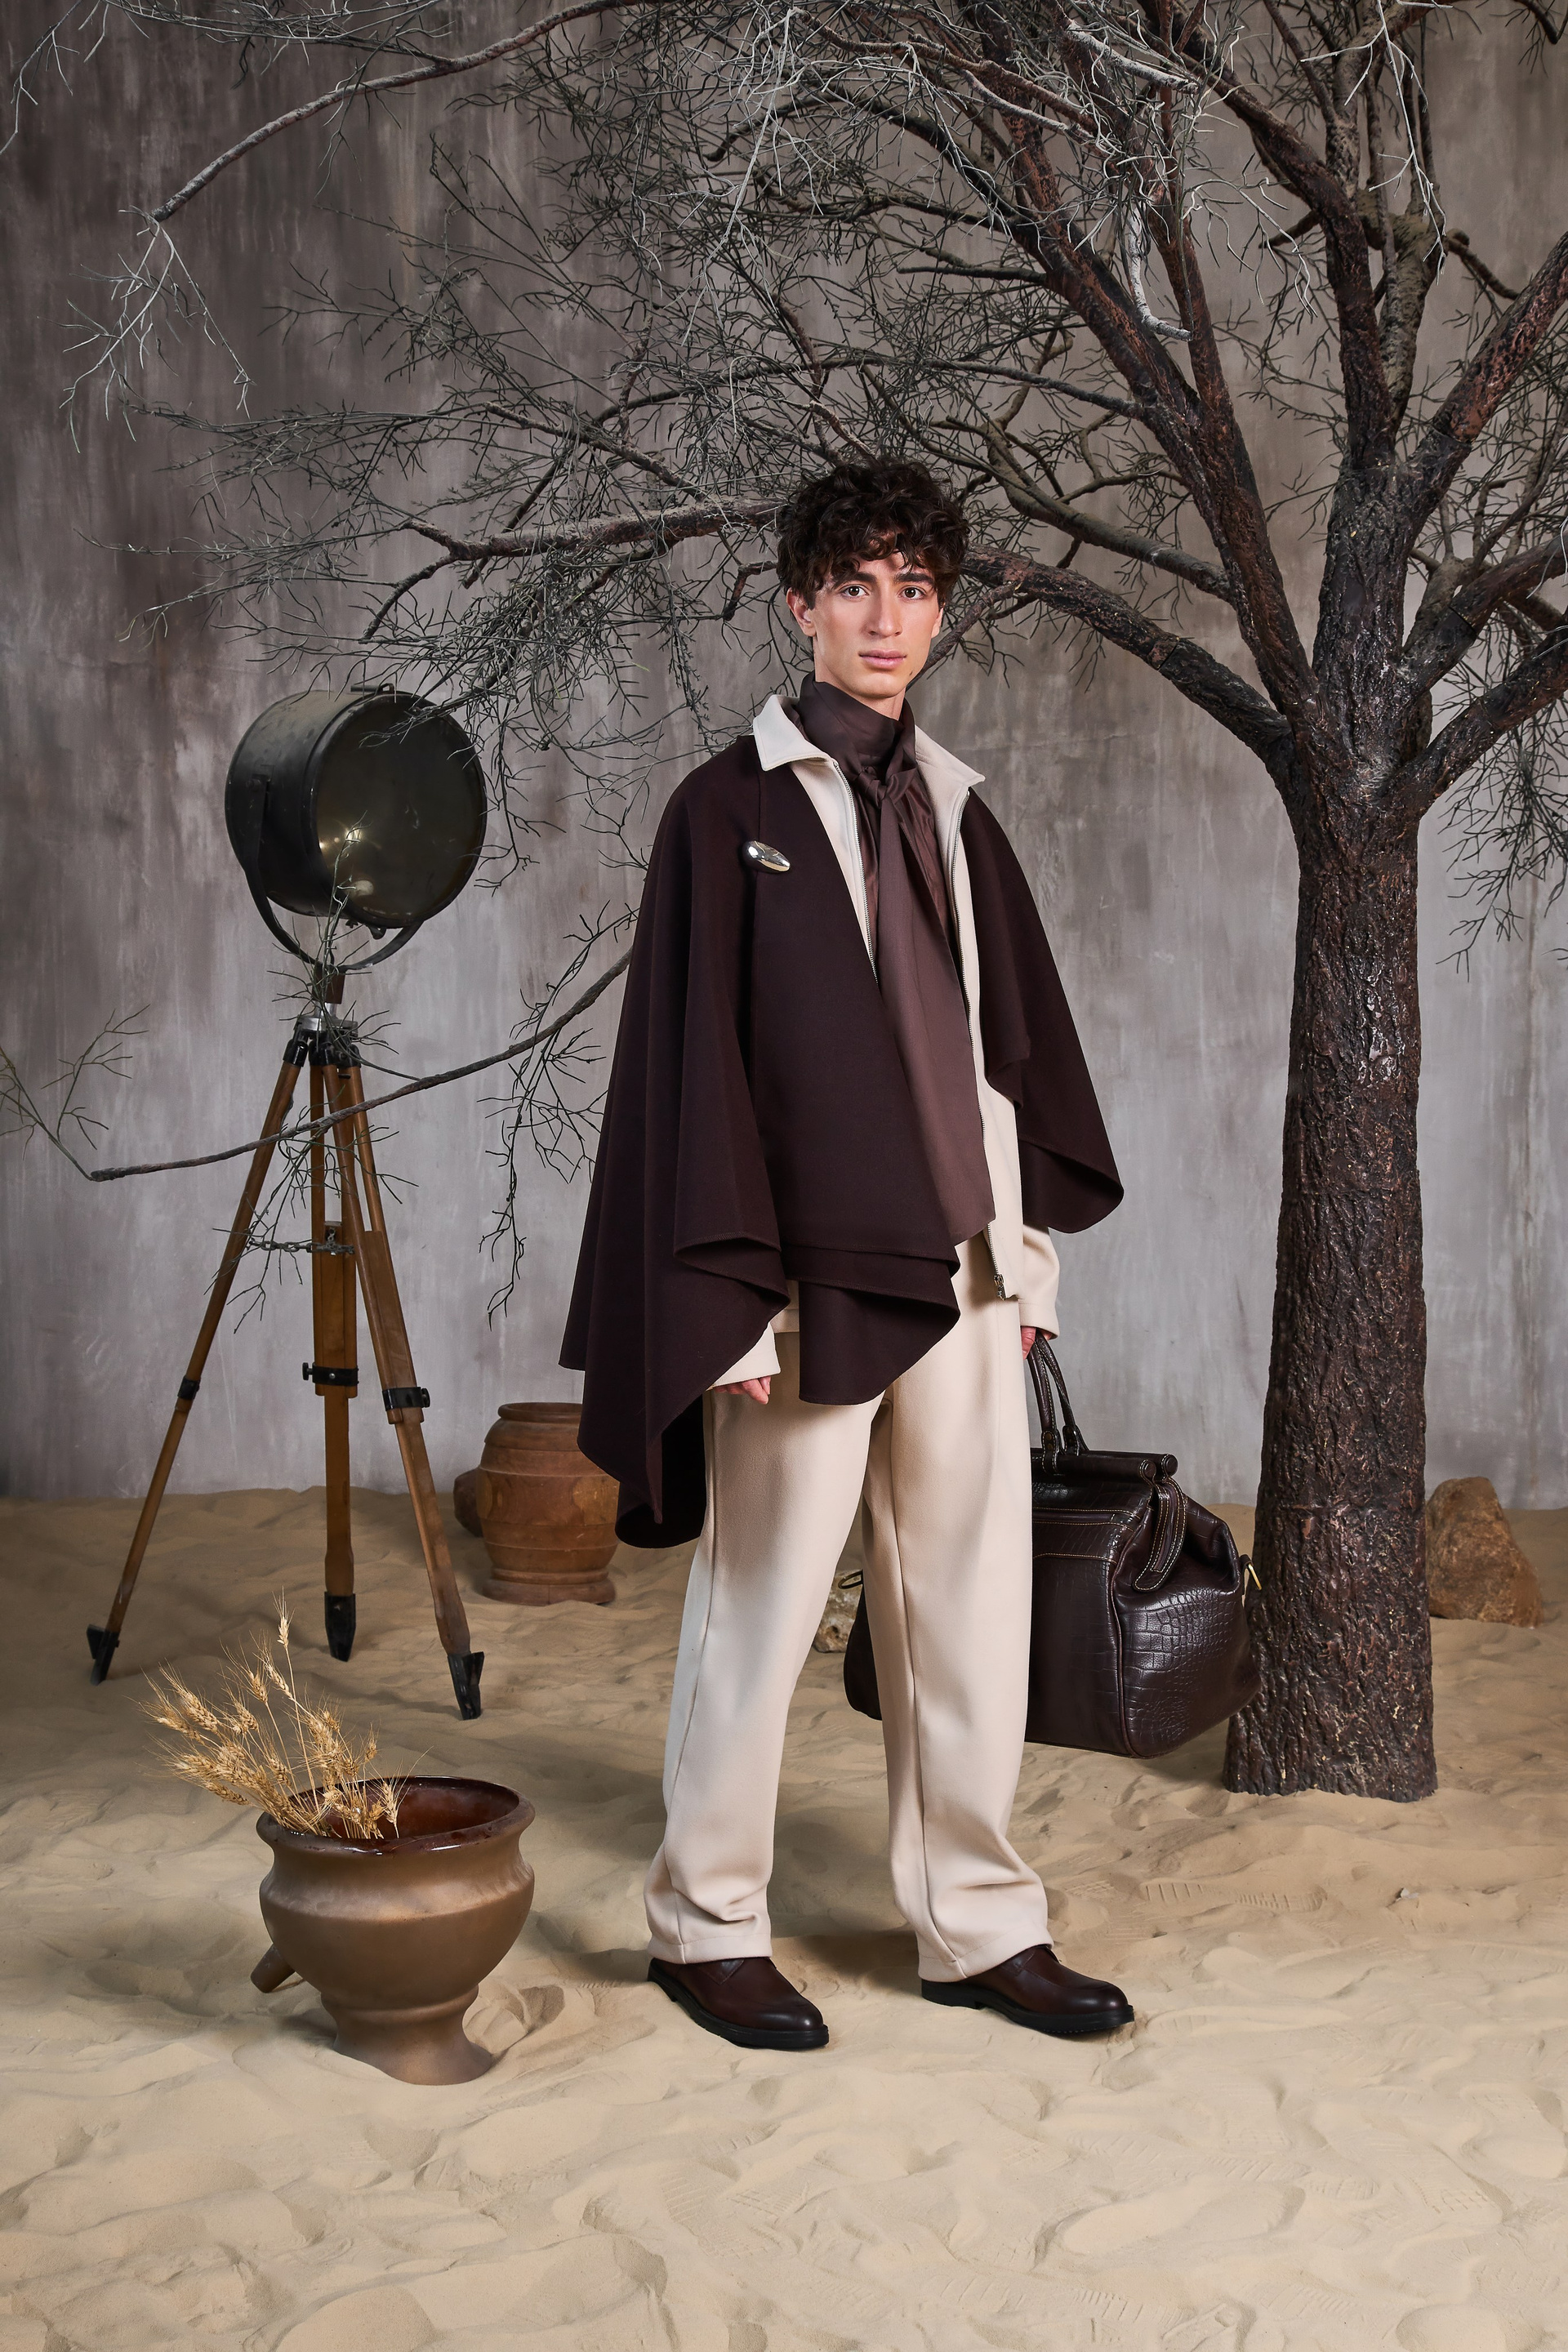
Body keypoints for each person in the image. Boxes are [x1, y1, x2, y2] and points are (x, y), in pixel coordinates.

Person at [562, 459, 1128, 2051]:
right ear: (801, 603)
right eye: (857, 586)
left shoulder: (956, 808)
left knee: (968, 1616)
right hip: (800, 1286)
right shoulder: (726, 812)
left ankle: (978, 1924)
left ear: (940, 614)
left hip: (965, 1275)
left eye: (916, 589)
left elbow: (1001, 1054)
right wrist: (726, 1308)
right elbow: (696, 1065)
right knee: (758, 1612)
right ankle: (705, 1925)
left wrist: (1024, 1262)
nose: (887, 619)